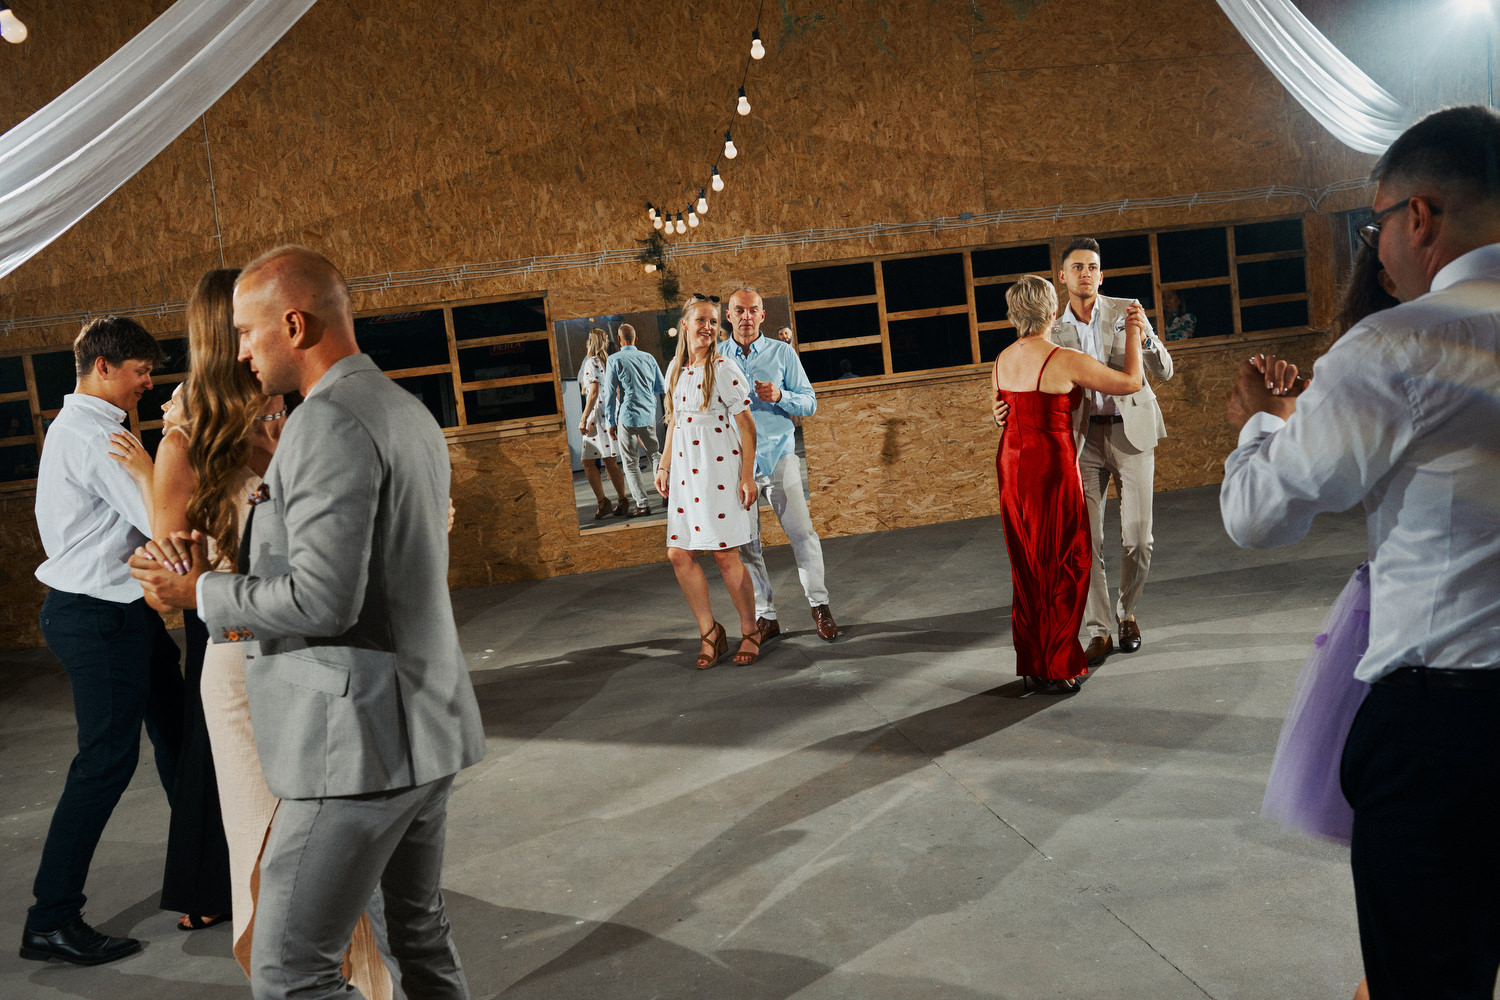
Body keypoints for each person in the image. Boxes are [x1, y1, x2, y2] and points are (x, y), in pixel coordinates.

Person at [131, 246, 485, 1000]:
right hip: (427, 724)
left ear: (294, 325)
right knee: (417, 939)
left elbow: (325, 601)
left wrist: (203, 592)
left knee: (290, 972)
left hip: (355, 741)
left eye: (247, 333)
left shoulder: (325, 423)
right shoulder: (403, 408)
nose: (240, 352)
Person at [1221, 105, 1500, 1000]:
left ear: (1419, 216)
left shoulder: (1398, 342)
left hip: (1450, 732)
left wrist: (1261, 425)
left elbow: (1262, 515)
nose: (1373, 248)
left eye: (1372, 224)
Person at [148, 269, 393, 994]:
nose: (267, 338)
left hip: (324, 666)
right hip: (244, 674)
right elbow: (174, 587)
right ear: (226, 336)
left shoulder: (297, 426)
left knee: (348, 869)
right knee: (275, 865)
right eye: (251, 325)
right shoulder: (184, 446)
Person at [20, 317, 184, 967]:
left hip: (120, 610)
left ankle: (207, 874)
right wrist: (155, 466)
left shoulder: (94, 427)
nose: (149, 383)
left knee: (180, 736)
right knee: (105, 764)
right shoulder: (98, 438)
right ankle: (51, 919)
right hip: (97, 616)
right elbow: (163, 524)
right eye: (141, 371)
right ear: (104, 367)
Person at [992, 275, 1143, 691]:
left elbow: (1001, 409)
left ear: (1014, 314)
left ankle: (1035, 662)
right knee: (1065, 563)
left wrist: (997, 414)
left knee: (1028, 566)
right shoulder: (1064, 359)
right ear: (1052, 311)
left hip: (1010, 466)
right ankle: (1058, 665)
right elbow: (1131, 382)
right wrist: (1133, 332)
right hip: (1050, 469)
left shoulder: (1002, 359)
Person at [1052, 237, 1174, 665]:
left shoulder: (1127, 311)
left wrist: (1148, 338)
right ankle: (1099, 630)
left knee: (1139, 540)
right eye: (1077, 267)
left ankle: (1127, 613)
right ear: (1063, 276)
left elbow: (1165, 370)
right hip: (1082, 440)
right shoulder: (1052, 330)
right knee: (1087, 543)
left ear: (1101, 276)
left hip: (1131, 433)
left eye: (1092, 267)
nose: (1085, 273)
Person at [719, 287, 837, 643]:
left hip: (779, 456)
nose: (746, 317)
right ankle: (765, 615)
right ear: (729, 315)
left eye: (752, 310)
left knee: (802, 534)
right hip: (737, 466)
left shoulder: (782, 353)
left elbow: (810, 403)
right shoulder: (717, 358)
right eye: (739, 310)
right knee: (748, 545)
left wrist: (780, 395)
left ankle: (819, 606)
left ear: (762, 314)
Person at [653, 296, 761, 667]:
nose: (709, 328)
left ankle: (750, 630)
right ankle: (710, 631)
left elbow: (747, 428)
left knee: (726, 555)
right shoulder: (675, 368)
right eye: (701, 320)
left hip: (719, 470)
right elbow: (675, 421)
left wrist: (747, 476)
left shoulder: (724, 368)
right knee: (678, 554)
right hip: (686, 474)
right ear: (685, 324)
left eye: (714, 322)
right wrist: (664, 466)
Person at [599, 322, 665, 517]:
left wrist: (610, 422)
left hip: (627, 416)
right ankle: (666, 493)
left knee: (630, 463)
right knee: (655, 455)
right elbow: (661, 387)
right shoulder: (649, 357)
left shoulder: (614, 359)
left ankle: (642, 505)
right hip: (648, 414)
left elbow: (610, 394)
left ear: (619, 340)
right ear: (636, 339)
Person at [577, 327, 629, 519]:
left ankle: (603, 502)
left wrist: (583, 418)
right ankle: (622, 500)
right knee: (609, 460)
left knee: (587, 461)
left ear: (590, 342)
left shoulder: (591, 361)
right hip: (609, 412)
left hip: (597, 415)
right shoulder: (608, 361)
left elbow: (593, 393)